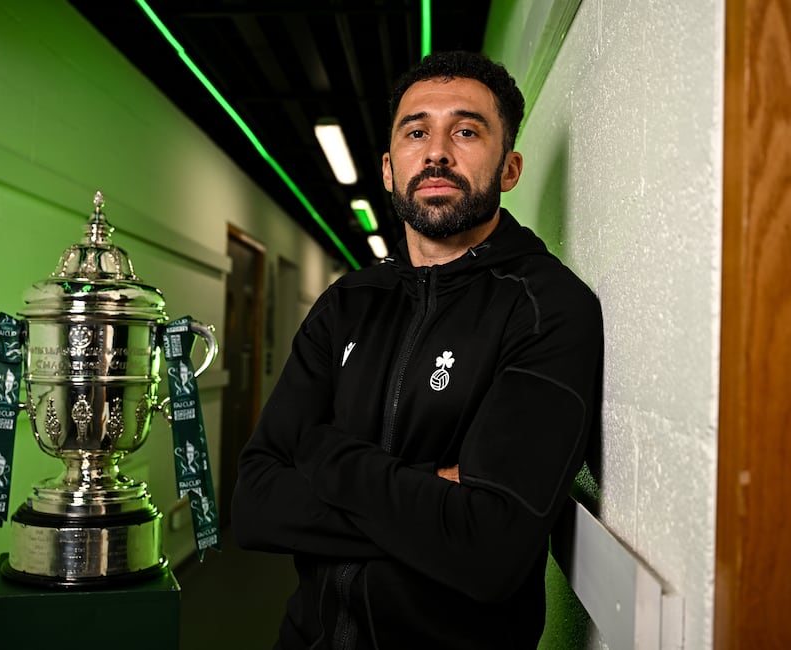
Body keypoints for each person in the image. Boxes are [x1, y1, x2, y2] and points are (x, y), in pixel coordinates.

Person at [231, 50, 603, 649]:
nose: (436, 151)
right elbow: (255, 504)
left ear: (509, 168)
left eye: (465, 130)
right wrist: (435, 494)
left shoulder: (547, 307)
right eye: (416, 131)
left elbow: (491, 549)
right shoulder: (347, 303)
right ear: (388, 167)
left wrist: (325, 456)